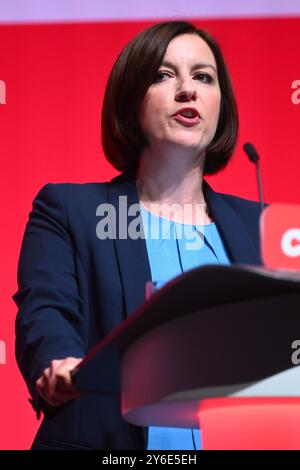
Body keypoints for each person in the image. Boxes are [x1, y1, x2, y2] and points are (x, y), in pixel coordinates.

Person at [13, 21, 262, 450]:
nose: (188, 91)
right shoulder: (72, 211)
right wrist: (57, 364)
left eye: (203, 77)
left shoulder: (262, 226)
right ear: (131, 100)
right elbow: (46, 310)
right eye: (164, 76)